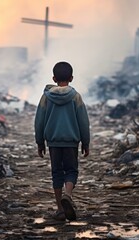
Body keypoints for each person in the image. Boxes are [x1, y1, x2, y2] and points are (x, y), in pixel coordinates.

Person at [34, 61, 90, 221]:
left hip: (53, 142)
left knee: (56, 173)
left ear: (53, 78)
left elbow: (39, 121)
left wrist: (40, 142)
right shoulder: (76, 97)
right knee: (71, 171)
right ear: (71, 78)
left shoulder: (46, 97)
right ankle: (68, 195)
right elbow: (83, 122)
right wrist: (85, 142)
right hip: (71, 142)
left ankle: (60, 209)